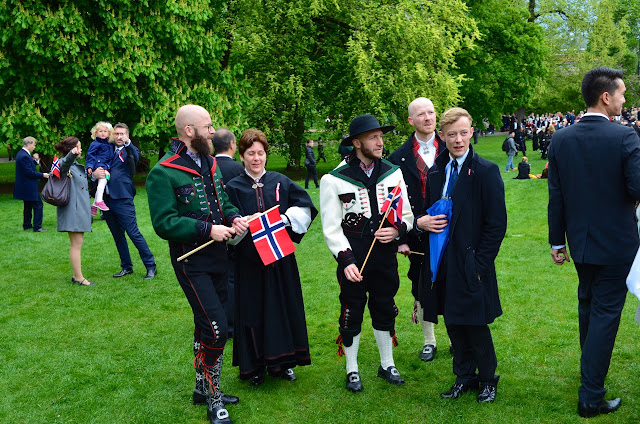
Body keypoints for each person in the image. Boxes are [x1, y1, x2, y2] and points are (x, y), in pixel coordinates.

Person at [146, 104, 249, 424]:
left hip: (220, 257)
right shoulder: (163, 171)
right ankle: (214, 397)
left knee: (207, 324)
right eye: (207, 126)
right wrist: (208, 229)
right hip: (191, 261)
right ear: (189, 131)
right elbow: (164, 223)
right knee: (217, 329)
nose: (213, 131)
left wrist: (233, 217)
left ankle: (201, 389)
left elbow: (224, 201)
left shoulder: (211, 163)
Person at [548, 67, 640, 418]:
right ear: (606, 96)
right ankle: (590, 395)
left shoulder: (561, 138)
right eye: (622, 93)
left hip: (580, 242)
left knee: (588, 307)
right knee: (602, 314)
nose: (624, 99)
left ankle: (590, 377)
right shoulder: (625, 136)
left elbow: (556, 197)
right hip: (616, 243)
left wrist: (557, 241)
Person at [416, 107, 506, 403]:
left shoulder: (486, 171)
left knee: (475, 324)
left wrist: (479, 264)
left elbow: (496, 225)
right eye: (452, 134)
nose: (458, 140)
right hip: (442, 261)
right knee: (454, 321)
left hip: (471, 262)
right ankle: (464, 376)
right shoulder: (437, 170)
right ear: (442, 136)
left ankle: (487, 379)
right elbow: (429, 212)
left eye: (463, 133)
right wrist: (423, 223)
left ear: (472, 133)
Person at [320, 114, 413, 393]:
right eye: (373, 137)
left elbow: (406, 213)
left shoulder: (393, 172)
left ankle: (387, 364)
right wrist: (345, 260)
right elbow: (331, 227)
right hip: (354, 258)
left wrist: (397, 231)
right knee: (352, 311)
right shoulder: (334, 179)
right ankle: (352, 369)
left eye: (381, 136)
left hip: (385, 258)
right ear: (357, 142)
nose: (380, 142)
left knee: (384, 307)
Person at [225, 128, 317, 386]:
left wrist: (285, 219)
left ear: (266, 154)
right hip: (249, 262)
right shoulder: (232, 187)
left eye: (261, 153)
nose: (256, 158)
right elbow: (225, 224)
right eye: (251, 153)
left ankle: (284, 363)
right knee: (253, 312)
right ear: (241, 156)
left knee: (282, 308)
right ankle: (255, 366)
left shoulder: (280, 181)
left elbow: (306, 206)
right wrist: (238, 225)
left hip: (280, 260)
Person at [388, 97, 444, 363]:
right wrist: (407, 233)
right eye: (421, 114)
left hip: (449, 229)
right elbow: (393, 201)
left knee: (452, 282)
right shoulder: (397, 157)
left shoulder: (450, 146)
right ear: (411, 120)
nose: (428, 118)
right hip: (418, 232)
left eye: (431, 112)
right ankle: (429, 340)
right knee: (421, 286)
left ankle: (457, 337)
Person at [98, 123, 156, 280]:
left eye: (122, 134)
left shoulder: (130, 151)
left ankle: (151, 266)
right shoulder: (107, 149)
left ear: (127, 135)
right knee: (118, 236)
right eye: (116, 134)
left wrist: (128, 143)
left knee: (133, 233)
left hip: (123, 199)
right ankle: (126, 266)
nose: (118, 137)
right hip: (106, 199)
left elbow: (135, 156)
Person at [212, 128, 245, 338]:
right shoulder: (239, 169)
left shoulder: (209, 167)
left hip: (215, 228)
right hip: (237, 228)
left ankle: (220, 316)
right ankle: (232, 324)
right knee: (233, 277)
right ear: (232, 144)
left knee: (221, 277)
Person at [55, 136, 94, 286]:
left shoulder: (75, 165)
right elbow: (64, 164)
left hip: (78, 209)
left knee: (77, 243)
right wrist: (72, 153)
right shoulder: (64, 163)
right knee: (76, 244)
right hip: (74, 210)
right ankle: (78, 277)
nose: (81, 149)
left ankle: (76, 274)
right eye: (78, 147)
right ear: (72, 149)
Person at [14, 136, 49, 232]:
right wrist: (43, 175)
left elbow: (28, 167)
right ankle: (37, 227)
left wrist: (35, 161)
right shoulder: (24, 156)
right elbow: (29, 172)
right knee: (38, 204)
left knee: (28, 206)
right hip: (28, 185)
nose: (34, 147)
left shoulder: (23, 154)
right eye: (33, 145)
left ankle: (27, 225)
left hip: (25, 185)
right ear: (28, 144)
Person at [86, 122, 114, 213]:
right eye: (100, 131)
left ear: (109, 133)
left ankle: (94, 205)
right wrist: (90, 166)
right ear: (96, 133)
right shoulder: (95, 144)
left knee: (103, 182)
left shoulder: (111, 145)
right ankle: (98, 201)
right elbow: (90, 156)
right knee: (103, 180)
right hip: (98, 165)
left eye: (105, 131)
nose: (102, 133)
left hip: (106, 166)